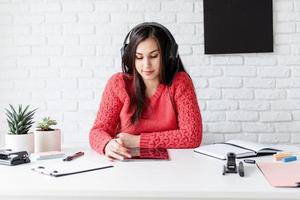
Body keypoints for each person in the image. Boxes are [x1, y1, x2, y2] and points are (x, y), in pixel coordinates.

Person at [89, 22, 202, 160]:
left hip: (173, 167)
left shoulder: (180, 83)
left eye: (154, 56)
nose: (146, 65)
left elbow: (192, 136)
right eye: (139, 57)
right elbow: (98, 131)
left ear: (168, 55)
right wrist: (107, 144)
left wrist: (137, 141)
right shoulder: (118, 84)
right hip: (126, 166)